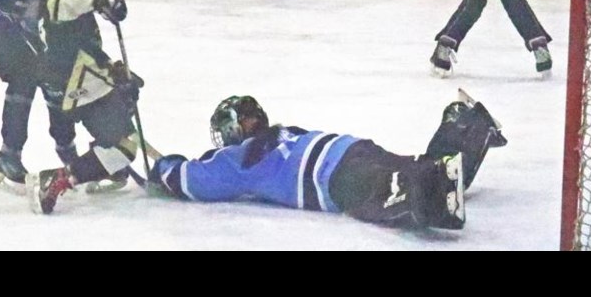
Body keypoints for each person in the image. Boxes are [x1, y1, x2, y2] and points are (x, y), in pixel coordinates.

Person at [147, 92, 507, 230]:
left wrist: (163, 168)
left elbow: (192, 180)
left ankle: (430, 189)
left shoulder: (238, 159)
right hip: (353, 148)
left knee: (387, 197)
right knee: (418, 165)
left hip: (337, 178)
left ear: (233, 128)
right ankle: (466, 128)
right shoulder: (283, 131)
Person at [0, 0, 127, 193]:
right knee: (24, 83)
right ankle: (9, 155)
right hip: (5, 30)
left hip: (30, 34)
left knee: (56, 85)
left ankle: (66, 150)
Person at [25, 0, 144, 214]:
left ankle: (101, 165)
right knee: (124, 146)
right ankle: (57, 179)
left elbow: (84, 46)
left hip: (76, 82)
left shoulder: (62, 5)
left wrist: (114, 71)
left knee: (118, 135)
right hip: (79, 85)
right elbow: (77, 1)